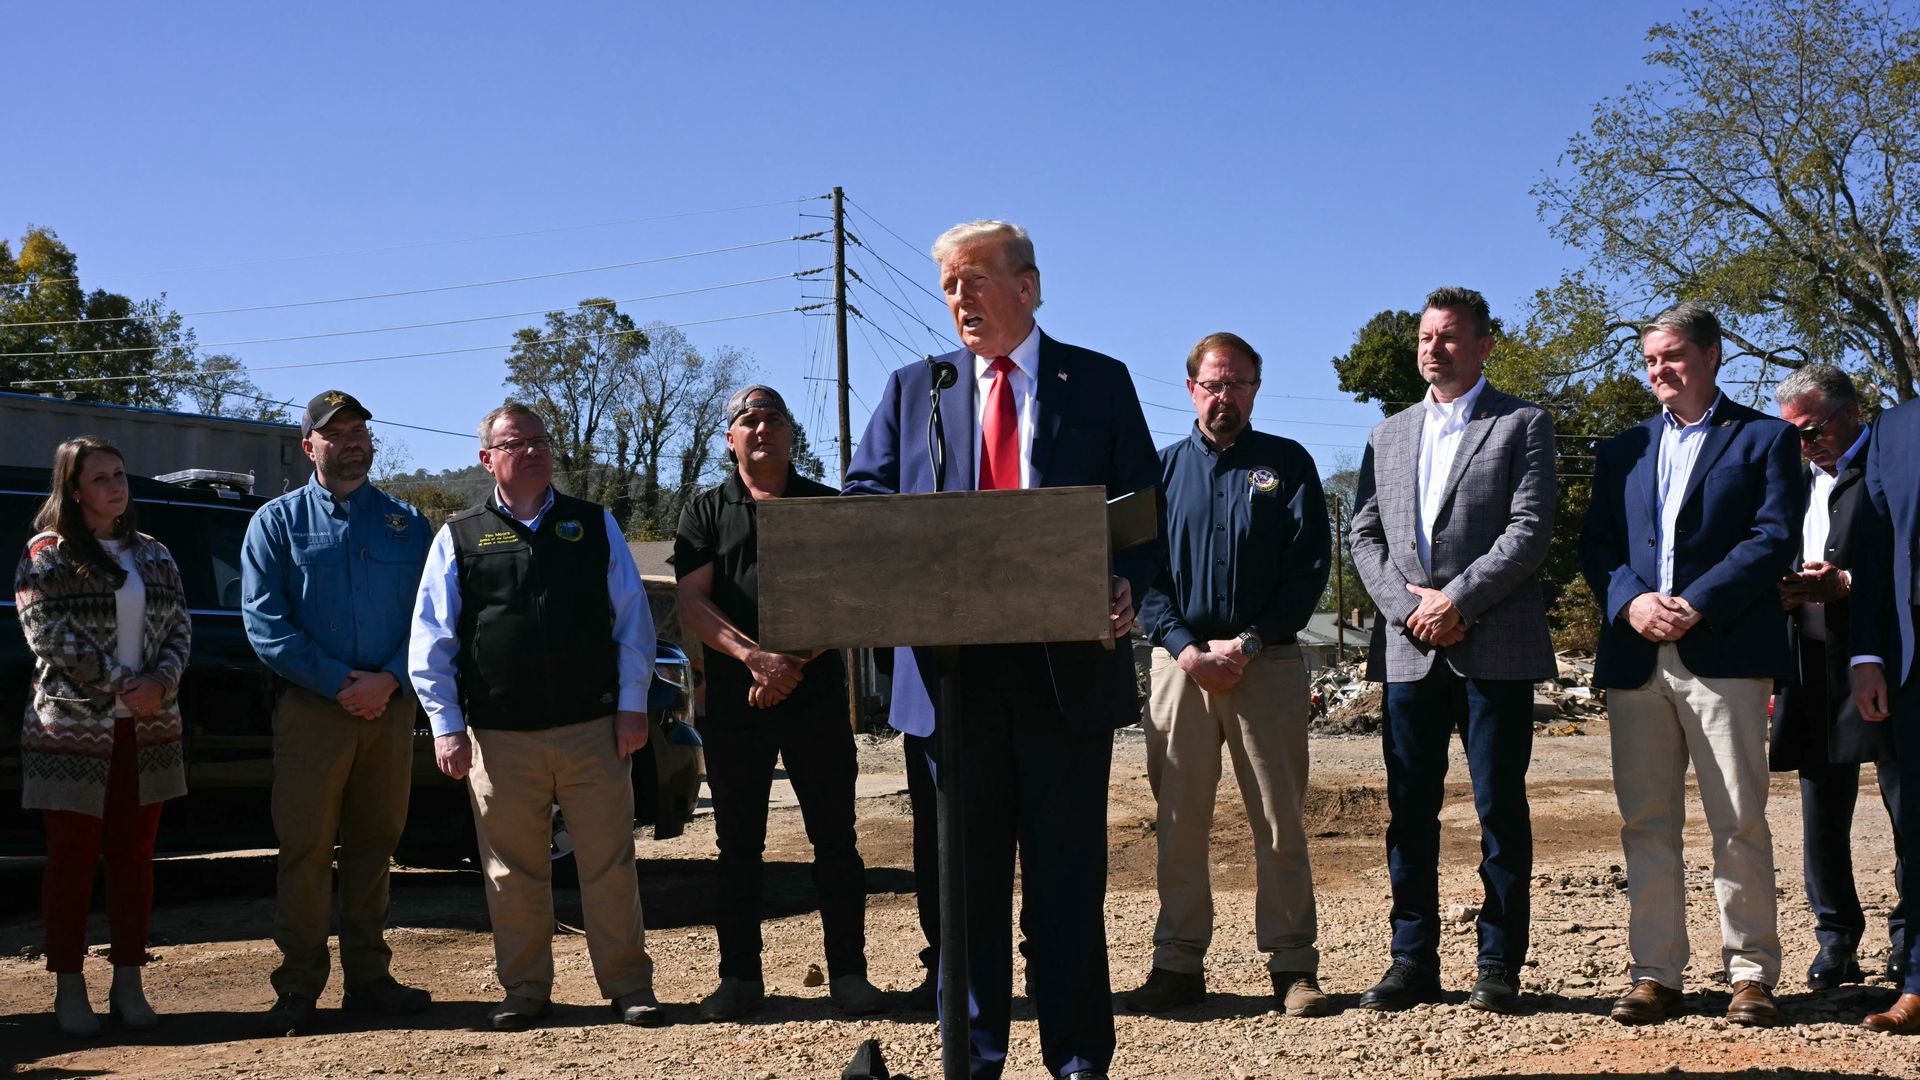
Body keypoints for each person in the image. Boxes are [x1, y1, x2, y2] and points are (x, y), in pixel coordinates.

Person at [844, 219, 1160, 1080]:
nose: (959, 299)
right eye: (948, 286)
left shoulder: (1096, 381)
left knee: (1064, 887)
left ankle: (1078, 1058)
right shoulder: (916, 389)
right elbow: (865, 502)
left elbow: (1141, 513)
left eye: (975, 279)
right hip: (951, 678)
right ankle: (973, 1061)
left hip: (1064, 670)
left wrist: (1126, 579)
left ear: (1027, 285)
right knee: (966, 889)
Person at [408, 402, 665, 1031]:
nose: (533, 452)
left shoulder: (593, 523)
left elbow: (633, 621)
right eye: (516, 443)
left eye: (541, 441)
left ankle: (629, 986)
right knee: (510, 871)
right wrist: (446, 724)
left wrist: (633, 707)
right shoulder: (460, 536)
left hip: (593, 729)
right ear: (487, 458)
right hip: (498, 737)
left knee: (609, 864)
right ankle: (525, 990)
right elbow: (430, 639)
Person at [1579, 301, 1801, 1027]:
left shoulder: (1765, 439)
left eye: (1671, 356)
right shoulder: (1623, 450)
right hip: (1638, 656)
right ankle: (1655, 973)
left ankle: (1750, 975)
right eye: (1648, 361)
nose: (1658, 372)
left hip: (1725, 653)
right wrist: (1632, 605)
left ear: (1712, 355)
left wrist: (1697, 601)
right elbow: (1598, 546)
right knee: (1646, 824)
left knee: (1738, 820)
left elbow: (1772, 538)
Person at [1347, 286, 1557, 1015]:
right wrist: (1412, 608)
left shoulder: (1523, 423)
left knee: (1500, 809)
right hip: (1410, 649)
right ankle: (1412, 960)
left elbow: (1529, 530)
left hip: (1492, 645)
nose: (1432, 348)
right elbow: (1363, 535)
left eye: (1449, 337)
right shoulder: (1388, 434)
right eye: (1425, 337)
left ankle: (1499, 962)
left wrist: (1456, 601)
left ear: (1484, 345)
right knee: (1409, 810)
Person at [1125, 331, 1332, 1017]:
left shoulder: (1287, 465)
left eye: (1239, 383)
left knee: (1278, 820)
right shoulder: (1158, 471)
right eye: (1214, 384)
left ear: (1255, 390)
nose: (1226, 396)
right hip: (1179, 668)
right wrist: (1185, 648)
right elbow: (1141, 574)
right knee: (1180, 820)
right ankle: (1178, 962)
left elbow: (1308, 572)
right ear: (1191, 390)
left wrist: (1245, 642)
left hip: (1264, 665)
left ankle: (1293, 964)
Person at [673, 383, 884, 1021]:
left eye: (773, 420)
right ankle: (739, 981)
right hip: (739, 706)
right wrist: (754, 659)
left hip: (816, 698)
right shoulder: (706, 511)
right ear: (730, 438)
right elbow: (693, 601)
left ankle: (849, 975)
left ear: (792, 435)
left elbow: (851, 597)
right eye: (748, 421)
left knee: (837, 843)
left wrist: (791, 662)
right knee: (738, 847)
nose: (761, 430)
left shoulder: (824, 504)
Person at [241, 391, 435, 1034]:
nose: (352, 442)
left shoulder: (407, 522)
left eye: (359, 432)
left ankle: (370, 979)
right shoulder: (276, 523)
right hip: (312, 712)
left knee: (375, 845)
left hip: (389, 709)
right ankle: (297, 984)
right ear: (309, 447)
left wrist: (388, 680)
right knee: (305, 850)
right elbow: (265, 624)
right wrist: (340, 682)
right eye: (336, 433)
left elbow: (434, 619)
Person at [15, 437, 190, 1035]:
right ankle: (68, 987)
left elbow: (181, 630)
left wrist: (158, 684)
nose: (116, 486)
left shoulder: (155, 553)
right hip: (70, 732)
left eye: (120, 475)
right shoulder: (48, 553)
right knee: (70, 863)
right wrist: (121, 683)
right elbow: (46, 632)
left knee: (134, 862)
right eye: (101, 479)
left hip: (148, 729)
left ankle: (129, 984)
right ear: (73, 489)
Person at [1767, 365, 1903, 993]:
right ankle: (1836, 941)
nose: (1805, 442)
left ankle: (1909, 941)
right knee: (1822, 810)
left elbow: (1899, 562)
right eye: (1792, 432)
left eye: (1814, 428)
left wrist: (1844, 584)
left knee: (1907, 806)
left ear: (1854, 411)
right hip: (1810, 663)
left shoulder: (1889, 467)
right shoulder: (1790, 480)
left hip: (1886, 660)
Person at [1847, 341, 1920, 1031]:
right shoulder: (1893, 429)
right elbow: (1871, 552)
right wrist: (1865, 654)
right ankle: (1919, 981)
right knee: (1915, 828)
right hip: (1908, 661)